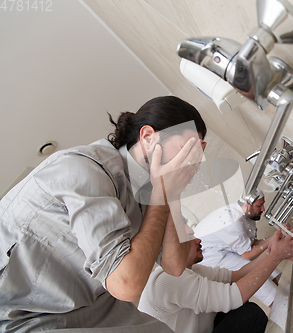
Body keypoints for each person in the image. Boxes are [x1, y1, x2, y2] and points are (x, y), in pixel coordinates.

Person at [0, 96, 206, 332]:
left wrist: (172, 193)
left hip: (87, 304)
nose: (194, 161)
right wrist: (162, 193)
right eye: (187, 148)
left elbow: (175, 264)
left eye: (198, 152)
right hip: (20, 314)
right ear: (148, 137)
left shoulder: (147, 190)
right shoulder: (84, 168)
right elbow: (126, 285)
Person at [137, 225, 293, 333]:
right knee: (250, 315)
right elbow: (235, 295)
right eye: (191, 239)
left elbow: (236, 276)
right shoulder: (166, 280)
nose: (198, 240)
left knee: (240, 310)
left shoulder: (191, 270)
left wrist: (271, 250)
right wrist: (276, 257)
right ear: (174, 247)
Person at [194, 191, 280, 307]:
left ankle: (291, 295)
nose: (263, 209)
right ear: (247, 205)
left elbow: (252, 243)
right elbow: (247, 254)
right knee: (256, 275)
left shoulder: (248, 214)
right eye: (259, 206)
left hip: (223, 251)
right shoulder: (233, 220)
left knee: (267, 266)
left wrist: (275, 237)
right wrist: (274, 238)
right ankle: (282, 308)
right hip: (211, 259)